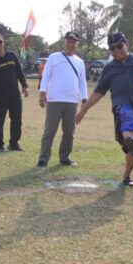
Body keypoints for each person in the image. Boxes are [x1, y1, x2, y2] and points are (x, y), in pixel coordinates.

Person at [75, 32, 133, 187]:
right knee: (127, 117)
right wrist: (83, 110)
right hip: (122, 105)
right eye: (112, 48)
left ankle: (127, 174)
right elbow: (99, 92)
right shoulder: (109, 68)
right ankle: (130, 138)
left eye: (119, 46)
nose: (116, 50)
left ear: (126, 44)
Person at [36, 31, 87, 169]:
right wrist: (42, 93)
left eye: (73, 42)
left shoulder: (80, 62)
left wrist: (84, 98)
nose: (71, 44)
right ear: (64, 42)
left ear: (77, 44)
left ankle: (65, 157)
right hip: (54, 100)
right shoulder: (54, 57)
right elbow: (46, 76)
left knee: (69, 132)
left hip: (72, 101)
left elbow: (82, 82)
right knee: (50, 131)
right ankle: (43, 158)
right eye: (68, 41)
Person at [0, 32, 29, 152]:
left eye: (0, 41)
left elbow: (19, 72)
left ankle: (14, 144)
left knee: (17, 120)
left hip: (15, 96)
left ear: (4, 42)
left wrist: (24, 85)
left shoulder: (11, 56)